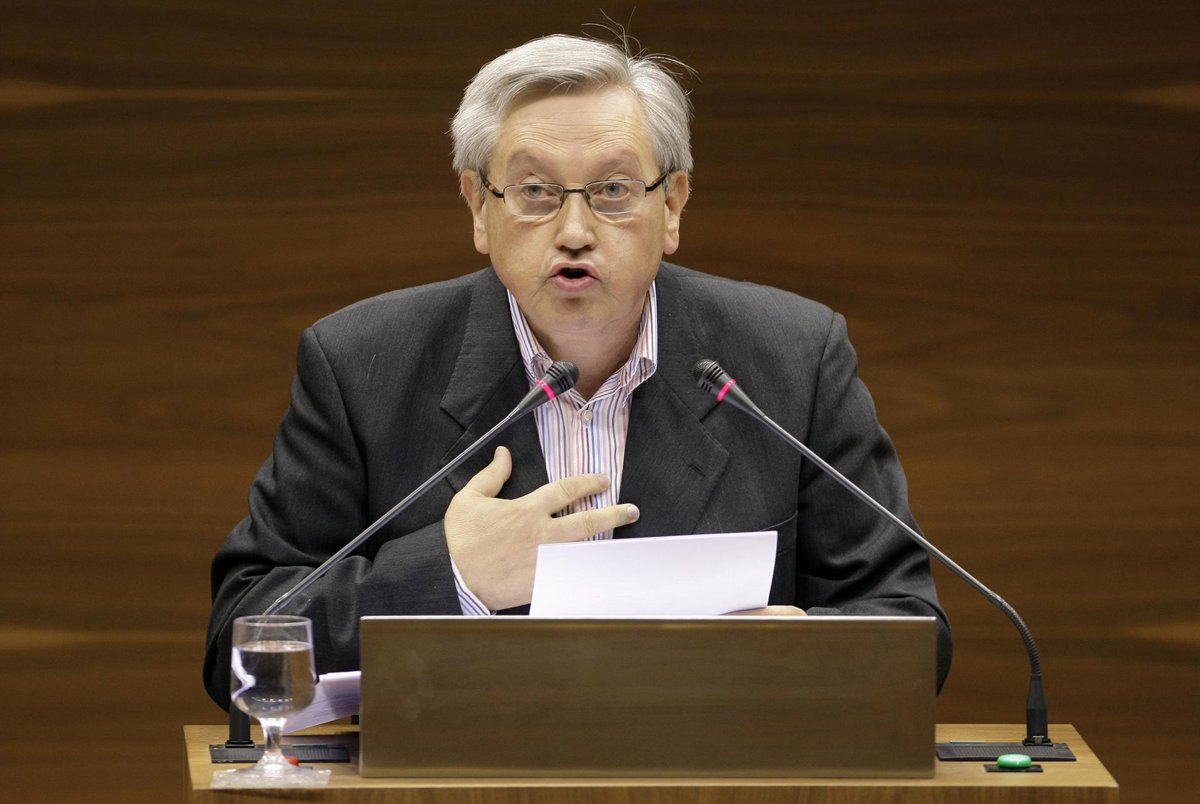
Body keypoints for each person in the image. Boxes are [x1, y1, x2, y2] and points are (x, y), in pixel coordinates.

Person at [203, 33, 952, 707]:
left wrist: (808, 655)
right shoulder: (363, 364)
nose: (573, 231)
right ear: (478, 205)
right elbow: (240, 646)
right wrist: (451, 575)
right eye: (534, 191)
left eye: (613, 191)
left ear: (673, 205)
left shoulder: (791, 357)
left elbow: (910, 623)